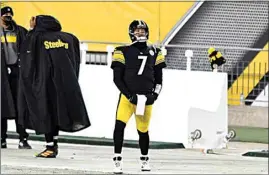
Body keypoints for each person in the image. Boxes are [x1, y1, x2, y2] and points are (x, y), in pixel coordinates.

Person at [17, 15, 91, 158]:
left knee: (46, 113)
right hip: (67, 83)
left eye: (33, 20)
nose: (30, 23)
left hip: (44, 84)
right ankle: (52, 146)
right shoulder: (70, 38)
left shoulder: (35, 38)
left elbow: (28, 62)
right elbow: (76, 60)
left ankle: (51, 146)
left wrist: (30, 84)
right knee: (59, 113)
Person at [110, 19, 166, 174]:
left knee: (143, 130)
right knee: (119, 126)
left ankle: (144, 159)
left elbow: (159, 79)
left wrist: (155, 95)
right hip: (127, 98)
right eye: (137, 30)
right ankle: (117, 160)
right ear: (131, 33)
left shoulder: (156, 51)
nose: (141, 32)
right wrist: (129, 95)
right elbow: (117, 78)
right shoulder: (122, 51)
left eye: (143, 30)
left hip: (145, 98)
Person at [1, 6, 32, 149]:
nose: (8, 16)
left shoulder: (19, 31)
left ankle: (22, 138)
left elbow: (30, 44)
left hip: (16, 71)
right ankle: (2, 138)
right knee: (2, 105)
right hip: (1, 73)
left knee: (19, 104)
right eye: (5, 14)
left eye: (10, 14)